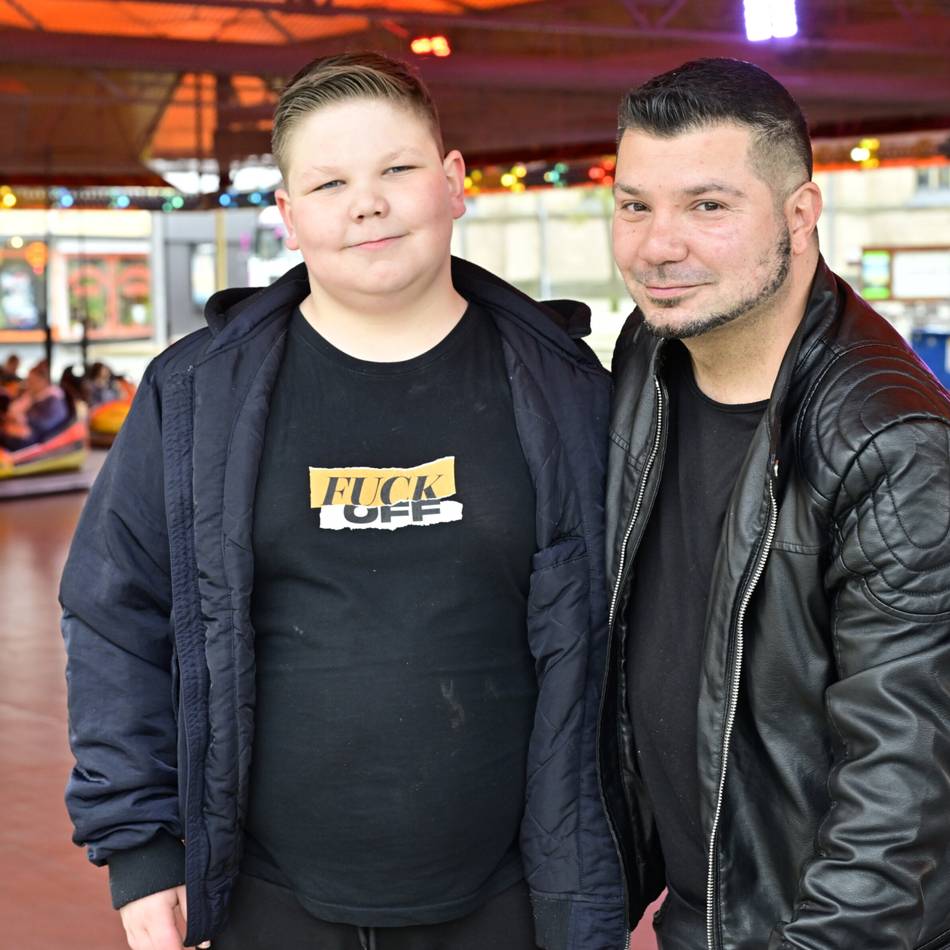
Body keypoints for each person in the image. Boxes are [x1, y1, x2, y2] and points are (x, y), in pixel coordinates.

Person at [61, 52, 625, 950]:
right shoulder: (194, 396)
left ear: (452, 185)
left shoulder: (571, 393)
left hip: (513, 901)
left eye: (397, 170)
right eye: (329, 182)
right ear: (288, 216)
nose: (368, 202)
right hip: (267, 898)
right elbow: (114, 614)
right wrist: (140, 848)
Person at [598, 58, 950, 950]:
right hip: (693, 919)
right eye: (635, 204)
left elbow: (902, 791)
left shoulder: (891, 443)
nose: (658, 245)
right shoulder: (652, 351)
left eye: (708, 206)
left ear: (801, 214)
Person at [1, 361, 71, 449]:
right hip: (27, 430)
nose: (29, 384)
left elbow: (45, 424)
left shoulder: (52, 399)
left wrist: (22, 422)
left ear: (43, 381)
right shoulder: (32, 396)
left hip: (42, 437)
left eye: (32, 381)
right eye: (29, 381)